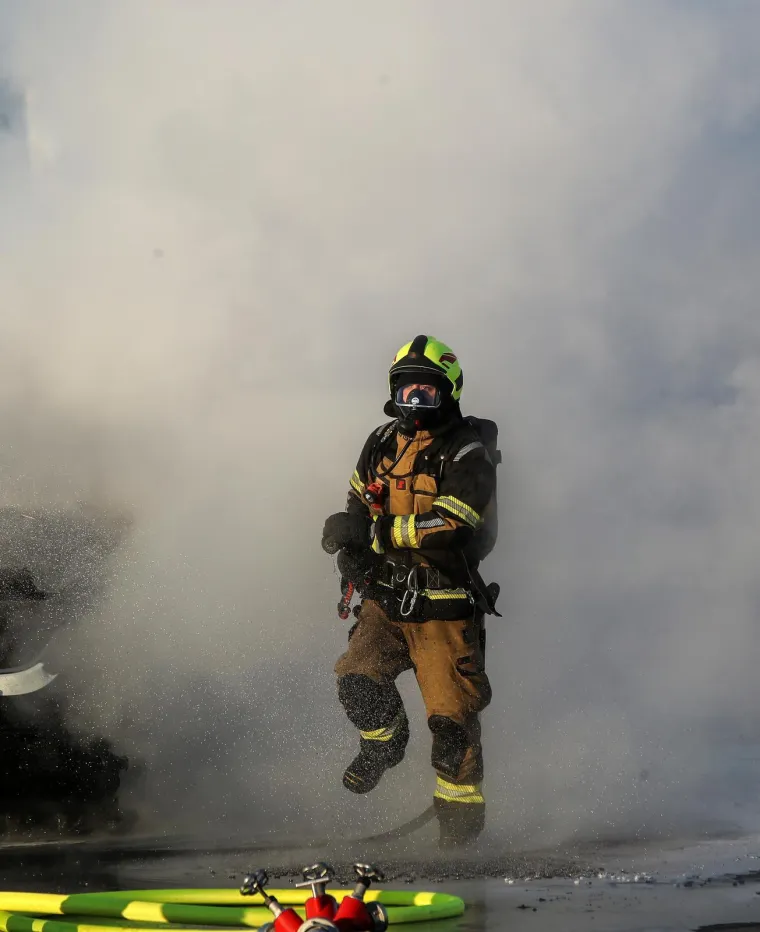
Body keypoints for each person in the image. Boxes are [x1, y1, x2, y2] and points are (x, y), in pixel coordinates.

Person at [322, 334, 499, 848]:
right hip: (387, 599)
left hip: (443, 604)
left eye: (427, 393)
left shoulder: (468, 450)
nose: (415, 403)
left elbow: (456, 522)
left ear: (450, 392)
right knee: (357, 680)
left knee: (451, 728)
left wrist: (379, 534)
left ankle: (460, 843)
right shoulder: (381, 441)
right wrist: (350, 540)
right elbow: (360, 496)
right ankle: (384, 743)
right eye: (407, 392)